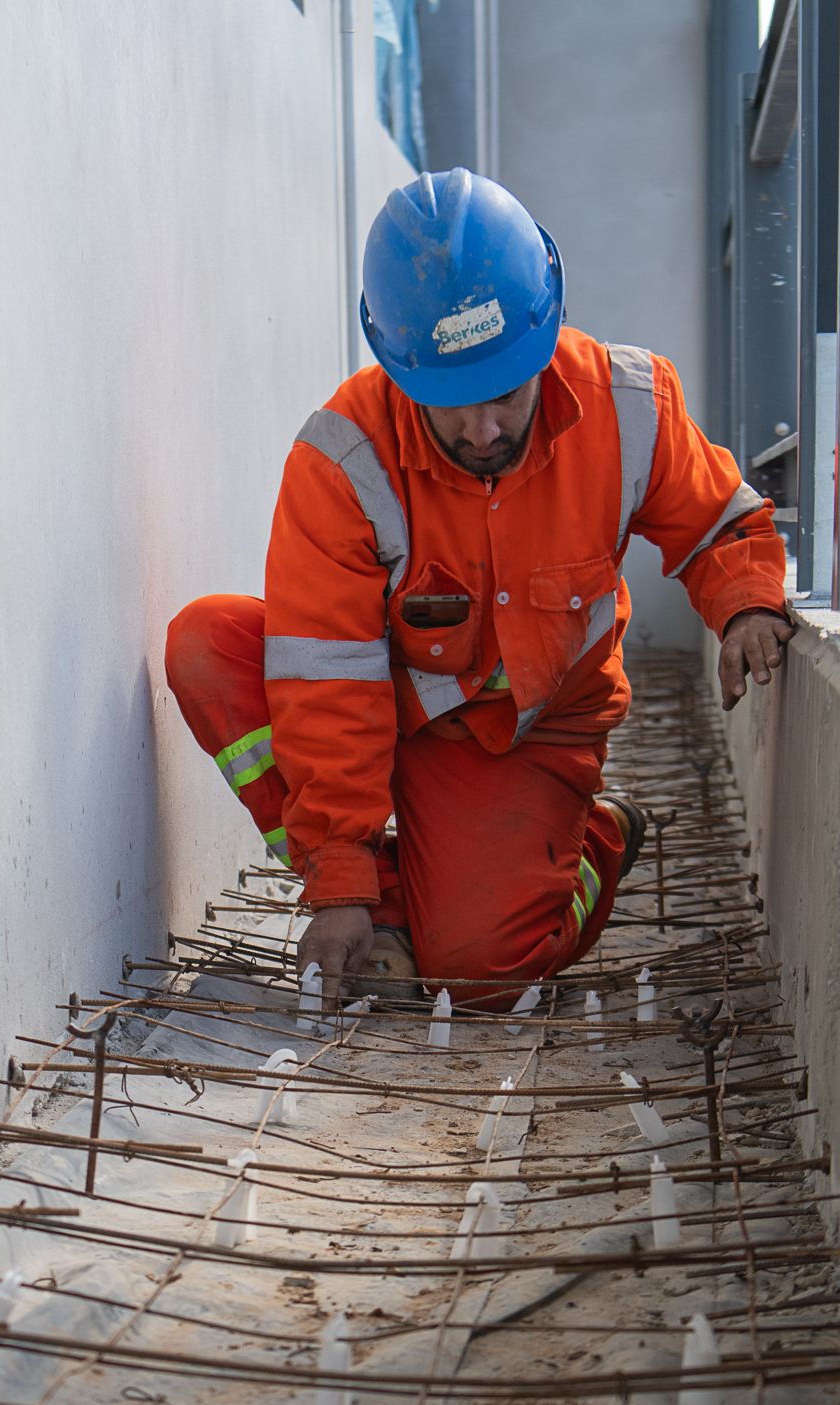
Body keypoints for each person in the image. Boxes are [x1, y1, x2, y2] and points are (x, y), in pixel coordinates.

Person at [165, 169, 793, 1006]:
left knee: (478, 976)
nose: (485, 428)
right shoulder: (344, 458)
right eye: (451, 403)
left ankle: (591, 846)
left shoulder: (627, 406)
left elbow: (720, 522)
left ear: (546, 332)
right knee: (207, 643)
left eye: (505, 390)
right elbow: (326, 673)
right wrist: (342, 885)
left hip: (523, 734)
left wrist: (746, 599)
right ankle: (386, 903)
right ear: (396, 363)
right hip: (383, 710)